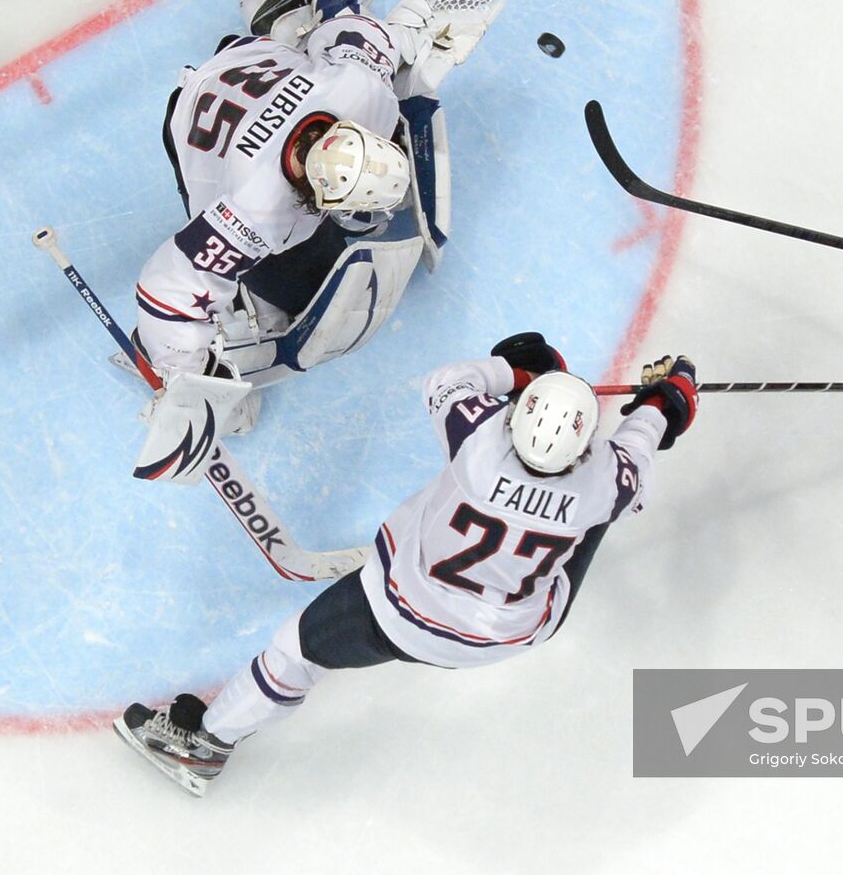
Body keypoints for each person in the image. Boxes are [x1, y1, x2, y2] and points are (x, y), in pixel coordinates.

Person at [113, 335, 699, 796]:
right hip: (509, 630)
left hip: (406, 614)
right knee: (597, 515)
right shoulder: (606, 481)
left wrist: (521, 374)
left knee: (294, 651)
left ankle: (205, 744)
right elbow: (637, 449)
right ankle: (209, 741)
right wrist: (664, 402)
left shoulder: (479, 438)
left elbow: (448, 382)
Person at [129, 0, 503, 483]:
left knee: (328, 67)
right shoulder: (256, 210)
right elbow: (168, 286)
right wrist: (187, 378)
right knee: (301, 285)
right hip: (191, 118)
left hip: (244, 60)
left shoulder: (363, 90)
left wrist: (395, 25)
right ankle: (283, 22)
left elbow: (356, 28)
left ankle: (280, 23)